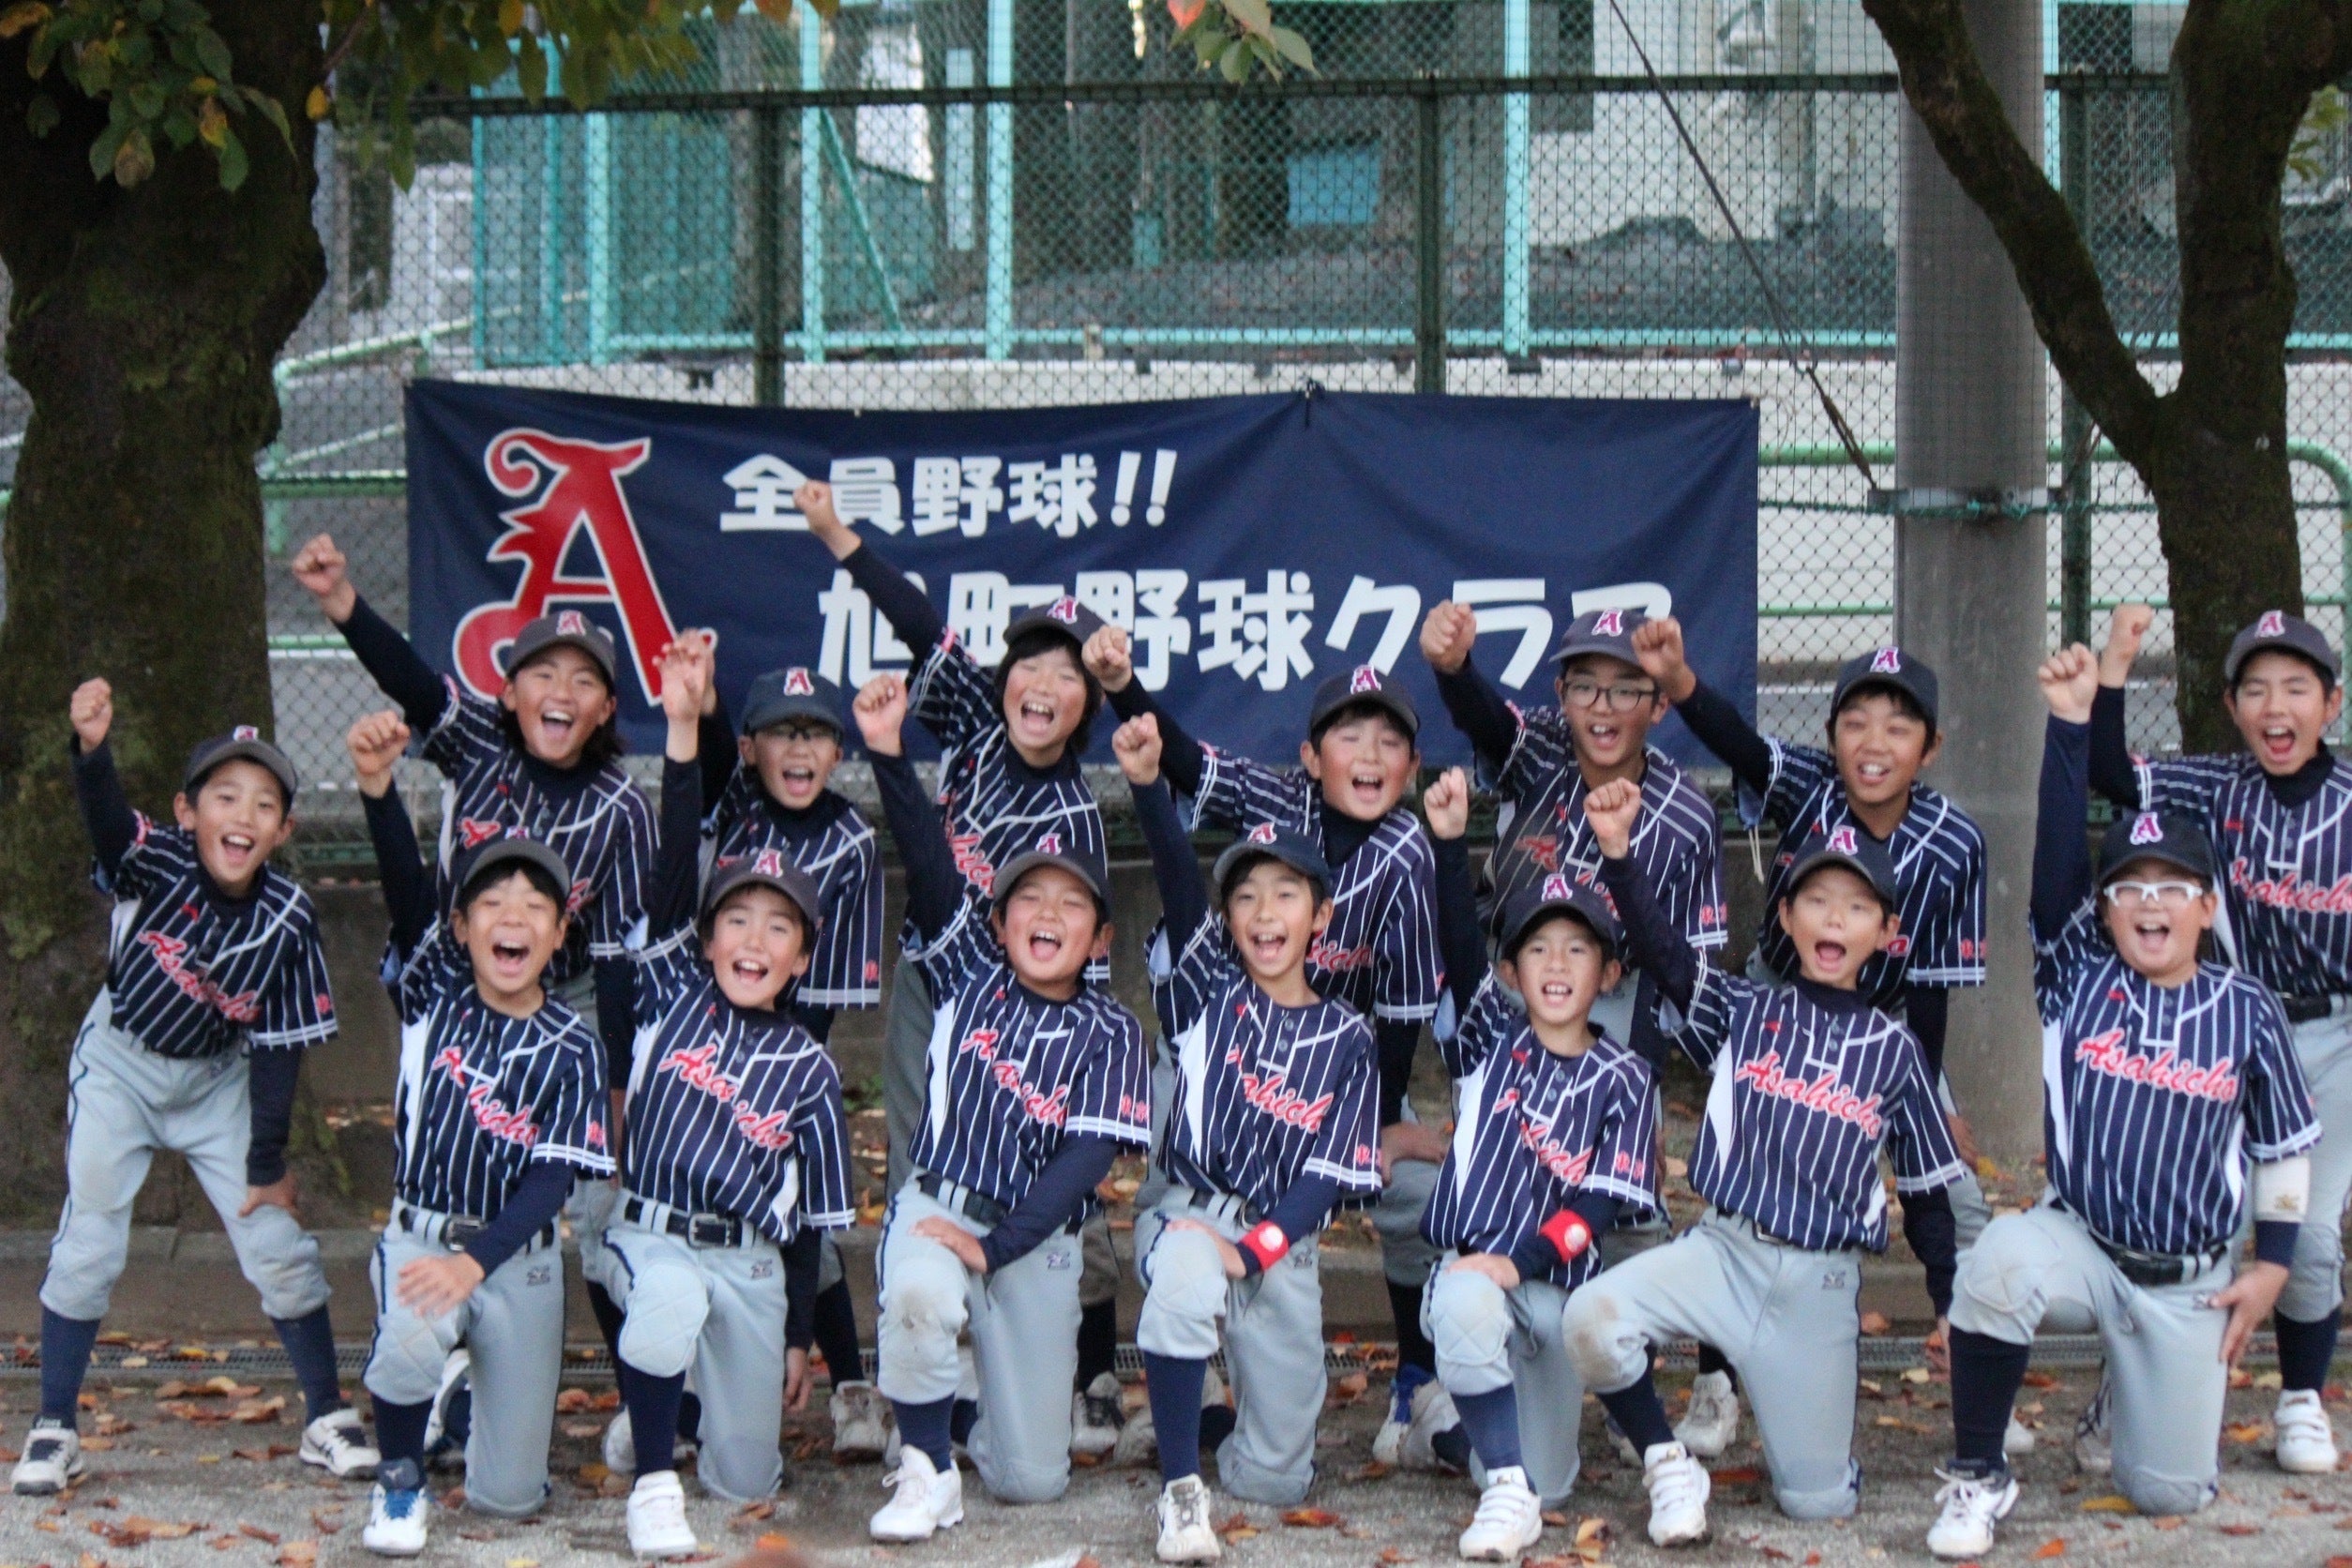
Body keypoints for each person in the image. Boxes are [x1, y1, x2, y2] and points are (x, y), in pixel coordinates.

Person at [1920, 642, 2318, 1557]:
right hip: (2083, 1245)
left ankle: (2125, 1392)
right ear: (2105, 910)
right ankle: (1980, 1473)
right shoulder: (2077, 975)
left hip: (2189, 1281)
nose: (2149, 903)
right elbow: (2056, 860)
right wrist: (2070, 724)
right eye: (2129, 887)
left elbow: (2285, 1146)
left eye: (2173, 887)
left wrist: (2272, 1264)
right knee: (1996, 1265)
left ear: (2207, 907)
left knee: (2165, 1491)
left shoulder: (2247, 1008)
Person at [290, 535, 652, 1459]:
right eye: (543, 674)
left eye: (583, 679)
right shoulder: (480, 746)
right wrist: (342, 604)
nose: (561, 692)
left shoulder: (620, 805)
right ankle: (440, 1354)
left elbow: (617, 954)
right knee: (456, 1164)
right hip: (453, 978)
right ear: (511, 692)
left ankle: (640, 1402)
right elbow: (415, 686)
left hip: (567, 994)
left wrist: (613, 1082)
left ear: (606, 707)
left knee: (595, 1207)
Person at [796, 483, 1130, 1452]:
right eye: (1031, 662)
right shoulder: (978, 731)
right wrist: (837, 535)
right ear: (1006, 678)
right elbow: (917, 619)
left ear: (1086, 707)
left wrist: (1070, 1053)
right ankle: (927, 1376)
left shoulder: (1075, 815)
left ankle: (1092, 1368)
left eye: (1069, 674)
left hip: (1030, 1015)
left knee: (1058, 1184)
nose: (1045, 682)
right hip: (934, 985)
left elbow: (1084, 957)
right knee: (919, 1169)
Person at [1562, 780, 1964, 1542]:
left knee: (1816, 1504)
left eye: (1857, 906)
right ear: (1785, 916)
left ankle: (1823, 1450)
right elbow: (1666, 954)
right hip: (1721, 1255)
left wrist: (1948, 1302)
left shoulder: (1896, 1051)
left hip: (1818, 1284)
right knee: (1591, 1318)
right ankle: (1667, 1463)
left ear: (1886, 930)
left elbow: (1927, 1193)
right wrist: (1618, 853)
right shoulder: (1745, 1010)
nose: (1834, 919)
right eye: (1816, 901)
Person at [1088, 634, 1453, 1470]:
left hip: (1338, 1072)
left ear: (1412, 764)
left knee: (1422, 1194)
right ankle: (1189, 1379)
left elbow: (1401, 1016)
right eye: (1349, 735)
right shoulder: (1279, 801)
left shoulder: (1407, 854)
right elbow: (1181, 762)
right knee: (1181, 1193)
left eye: (1389, 739)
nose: (1369, 754)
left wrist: (1376, 1129)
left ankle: (1416, 1379)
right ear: (1311, 758)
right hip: (1221, 1053)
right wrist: (1123, 687)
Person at [1630, 619, 1989, 1456]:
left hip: (1886, 1029)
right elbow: (1739, 742)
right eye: (1855, 722)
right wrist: (1678, 678)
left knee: (1959, 1201)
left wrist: (1924, 1105)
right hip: (1776, 1004)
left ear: (1931, 747)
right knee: (1745, 1186)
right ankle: (1717, 1381)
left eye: (1897, 725)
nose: (1874, 743)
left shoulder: (1956, 842)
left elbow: (1930, 989)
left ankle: (1976, 1368)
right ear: (1831, 737)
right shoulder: (1813, 789)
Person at [14, 685, 369, 1496]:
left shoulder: (289, 917)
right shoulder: (158, 858)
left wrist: (266, 1161)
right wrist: (92, 753)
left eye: (265, 803)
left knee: (275, 1240)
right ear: (187, 811)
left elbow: (280, 1050)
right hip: (121, 1064)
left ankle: (325, 1413)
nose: (243, 815)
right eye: (224, 796)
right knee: (91, 1240)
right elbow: (109, 827)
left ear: (283, 830)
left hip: (217, 1081)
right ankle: (55, 1425)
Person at [1418, 601, 1724, 1463]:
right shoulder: (1545, 749)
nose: (1603, 705)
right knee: (1505, 1167)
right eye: (1585, 684)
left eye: (1626, 688)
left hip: (1620, 994)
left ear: (1657, 704)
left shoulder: (1688, 815)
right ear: (1561, 695)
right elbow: (1485, 719)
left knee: (1625, 1200)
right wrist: (1453, 668)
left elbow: (1686, 967)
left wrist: (1640, 1080)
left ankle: (1629, 1381)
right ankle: (1478, 1350)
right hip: (1514, 980)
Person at [853, 672, 1151, 1539]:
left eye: (1072, 902)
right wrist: (888, 755)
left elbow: (1085, 1162)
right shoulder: (968, 977)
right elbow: (927, 857)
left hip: (1033, 1240)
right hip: (943, 1206)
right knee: (918, 1294)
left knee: (1032, 1482)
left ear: (1100, 938)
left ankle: (974, 1419)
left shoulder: (1110, 1029)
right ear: (998, 922)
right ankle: (925, 1466)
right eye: (1029, 897)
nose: (1048, 912)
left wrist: (998, 1247)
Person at [594, 635, 855, 1557]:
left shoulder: (810, 1067)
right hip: (653, 1235)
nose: (753, 940)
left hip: (749, 1266)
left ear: (801, 957)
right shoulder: (675, 989)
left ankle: (680, 1412)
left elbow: (808, 1225)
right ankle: (653, 1480)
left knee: (748, 1478)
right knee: (665, 1301)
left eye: (778, 927)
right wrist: (680, 728)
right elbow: (676, 858)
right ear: (705, 939)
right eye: (736, 919)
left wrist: (797, 1336)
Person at [2087, 603, 2352, 1472]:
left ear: (2331, 704)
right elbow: (2108, 772)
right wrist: (2116, 666)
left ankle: (2302, 1397)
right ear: (2233, 707)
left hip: (2334, 1035)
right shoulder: (2218, 787)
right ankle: (2137, 1385)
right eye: (2257, 689)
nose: (2277, 706)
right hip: (2224, 1025)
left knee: (2305, 1231)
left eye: (2297, 688)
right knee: (2177, 1212)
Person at [1114, 713, 1381, 1560]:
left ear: (1320, 915)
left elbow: (1326, 1178)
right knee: (1188, 1271)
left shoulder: (1350, 1037)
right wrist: (1149, 787)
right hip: (1190, 1214)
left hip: (1277, 1242)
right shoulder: (1206, 992)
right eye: (1246, 896)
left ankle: (1204, 1415)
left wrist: (1256, 1249)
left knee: (1275, 1479)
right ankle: (1180, 1493)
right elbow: (1176, 877)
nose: (1265, 911)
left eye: (1286, 893)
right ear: (1228, 918)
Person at [346, 712, 612, 1554]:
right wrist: (379, 791)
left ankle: (457, 1400)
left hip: (515, 1259)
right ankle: (399, 1483)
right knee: (408, 1338)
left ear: (559, 934)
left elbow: (551, 1182)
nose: (512, 917)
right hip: (425, 1239)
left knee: (508, 1500)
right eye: (491, 902)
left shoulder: (574, 1043)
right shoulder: (436, 991)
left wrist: (477, 1264)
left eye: (535, 905)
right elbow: (403, 889)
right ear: (462, 928)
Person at [1416, 768, 1659, 1557]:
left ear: (1608, 973)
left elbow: (1596, 1209)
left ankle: (1449, 1430)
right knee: (1464, 1300)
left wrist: (1519, 1263)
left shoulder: (1626, 1077)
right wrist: (1450, 845)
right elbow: (1460, 947)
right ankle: (1503, 1487)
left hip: (1554, 1287)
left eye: (1578, 949)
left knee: (1553, 1480)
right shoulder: (1492, 1037)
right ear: (1512, 972)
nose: (1556, 964)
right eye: (1538, 948)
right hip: (1474, 1275)